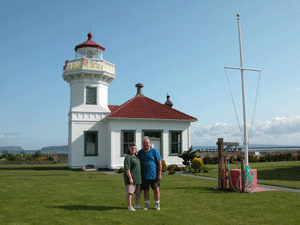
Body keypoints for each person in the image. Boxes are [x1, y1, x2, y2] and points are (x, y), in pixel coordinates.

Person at [138, 138, 162, 210]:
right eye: (144, 143)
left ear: (150, 143)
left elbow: (159, 163)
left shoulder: (155, 151)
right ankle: (147, 204)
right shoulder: (140, 152)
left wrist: (159, 174)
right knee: (145, 190)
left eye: (147, 143)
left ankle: (157, 204)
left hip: (154, 175)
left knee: (156, 190)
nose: (145, 144)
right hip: (144, 175)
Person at [124, 143, 143, 211]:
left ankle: (137, 204)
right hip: (131, 178)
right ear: (129, 149)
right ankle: (129, 206)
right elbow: (127, 169)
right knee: (130, 192)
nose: (133, 149)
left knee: (138, 193)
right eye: (131, 148)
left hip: (138, 178)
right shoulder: (128, 157)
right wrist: (130, 178)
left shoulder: (136, 157)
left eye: (134, 148)